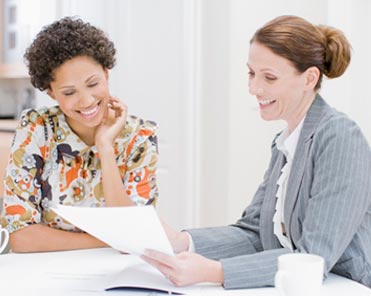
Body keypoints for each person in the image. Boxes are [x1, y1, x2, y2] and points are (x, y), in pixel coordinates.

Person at [142, 15, 371, 289]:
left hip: (350, 286)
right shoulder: (284, 142)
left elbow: (314, 257)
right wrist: (182, 242)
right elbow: (255, 232)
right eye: (251, 73)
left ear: (309, 78)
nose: (254, 88)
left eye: (269, 77)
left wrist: (215, 271)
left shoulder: (340, 136)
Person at [0, 17, 159, 253]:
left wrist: (105, 147)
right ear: (52, 93)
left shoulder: (140, 136)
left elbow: (135, 231)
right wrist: (110, 241)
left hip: (116, 269)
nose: (86, 101)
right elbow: (21, 238)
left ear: (106, 73)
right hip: (44, 269)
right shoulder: (35, 128)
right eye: (69, 92)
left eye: (93, 84)